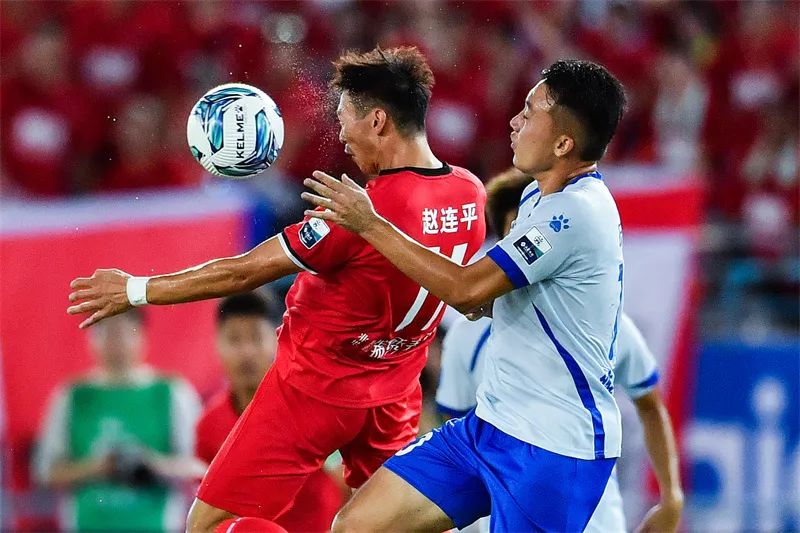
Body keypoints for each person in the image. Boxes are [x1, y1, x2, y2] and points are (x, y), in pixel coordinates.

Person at [66, 46, 487, 532]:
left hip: (315, 390)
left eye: (344, 119)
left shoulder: (359, 212)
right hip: (394, 394)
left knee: (207, 526)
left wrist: (137, 289)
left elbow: (243, 272)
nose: (341, 134)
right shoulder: (469, 193)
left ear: (377, 121)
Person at [303, 59, 628, 531]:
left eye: (529, 112)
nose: (514, 122)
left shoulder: (574, 214)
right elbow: (499, 295)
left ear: (563, 144)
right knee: (357, 525)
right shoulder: (539, 198)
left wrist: (370, 223)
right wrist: (485, 300)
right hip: (491, 426)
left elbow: (463, 288)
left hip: (555, 449)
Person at [436, 170, 683, 533]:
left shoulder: (605, 325)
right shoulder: (466, 336)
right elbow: (454, 432)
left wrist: (671, 496)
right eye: (518, 232)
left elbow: (650, 404)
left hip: (596, 521)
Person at [34, 310, 204, 532]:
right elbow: (46, 472)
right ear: (91, 339)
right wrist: (97, 467)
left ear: (141, 336)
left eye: (123, 332)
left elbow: (200, 466)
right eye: (106, 333)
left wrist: (152, 465)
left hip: (155, 525)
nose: (115, 343)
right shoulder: (72, 396)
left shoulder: (172, 392)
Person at [196, 292, 344, 532]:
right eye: (234, 339)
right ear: (216, 344)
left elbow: (348, 481)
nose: (246, 352)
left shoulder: (312, 408)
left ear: (277, 339)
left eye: (256, 338)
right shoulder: (208, 426)